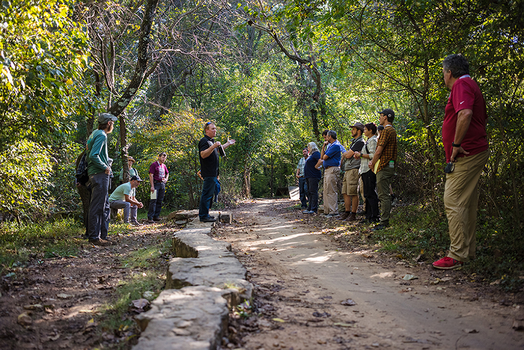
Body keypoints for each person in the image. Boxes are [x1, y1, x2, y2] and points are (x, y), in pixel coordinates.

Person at [432, 54, 489, 270]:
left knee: (453, 199)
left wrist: (456, 145)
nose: (443, 78)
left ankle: (456, 254)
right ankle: (468, 251)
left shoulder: (462, 84)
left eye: (443, 73)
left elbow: (465, 114)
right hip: (474, 151)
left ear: (449, 72)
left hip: (467, 154)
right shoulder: (470, 84)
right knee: (466, 203)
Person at [86, 113, 117, 246]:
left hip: (97, 174)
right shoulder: (101, 135)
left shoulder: (94, 133)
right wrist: (105, 167)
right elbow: (93, 155)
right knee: (98, 205)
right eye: (112, 122)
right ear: (109, 123)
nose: (113, 124)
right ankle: (94, 237)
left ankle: (103, 235)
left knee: (104, 205)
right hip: (99, 174)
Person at [198, 122, 236, 222]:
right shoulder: (204, 141)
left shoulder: (211, 141)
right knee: (206, 194)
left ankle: (206, 214)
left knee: (211, 194)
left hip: (214, 173)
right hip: (208, 172)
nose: (215, 130)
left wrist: (228, 144)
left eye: (215, 128)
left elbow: (217, 151)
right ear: (206, 130)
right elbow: (203, 154)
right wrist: (213, 146)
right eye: (213, 129)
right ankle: (203, 216)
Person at [369, 108, 397, 230]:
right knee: (384, 193)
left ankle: (384, 222)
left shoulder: (386, 130)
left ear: (385, 117)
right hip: (388, 165)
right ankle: (384, 219)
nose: (379, 118)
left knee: (383, 194)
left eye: (381, 116)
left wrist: (372, 162)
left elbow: (379, 150)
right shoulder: (393, 130)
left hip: (384, 165)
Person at [354, 123, 380, 224]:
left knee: (370, 193)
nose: (364, 131)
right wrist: (360, 156)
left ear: (370, 130)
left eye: (365, 129)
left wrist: (360, 154)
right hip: (364, 169)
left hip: (369, 170)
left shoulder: (373, 140)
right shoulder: (369, 140)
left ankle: (375, 216)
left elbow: (373, 155)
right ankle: (368, 216)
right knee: (367, 193)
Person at [339, 122, 365, 221]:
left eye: (353, 129)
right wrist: (346, 154)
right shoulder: (354, 142)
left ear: (359, 131)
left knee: (353, 192)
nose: (351, 131)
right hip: (347, 169)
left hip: (354, 169)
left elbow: (348, 154)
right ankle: (347, 212)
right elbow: (347, 154)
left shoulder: (360, 142)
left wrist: (345, 154)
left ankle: (353, 214)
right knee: (345, 191)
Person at [318, 130, 342, 218]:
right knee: (326, 190)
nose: (326, 139)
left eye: (327, 137)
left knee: (331, 190)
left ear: (330, 137)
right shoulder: (329, 146)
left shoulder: (335, 145)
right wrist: (323, 146)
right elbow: (321, 157)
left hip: (332, 169)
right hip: (327, 170)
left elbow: (325, 157)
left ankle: (333, 211)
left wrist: (324, 152)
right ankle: (327, 210)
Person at [148, 152, 169, 223]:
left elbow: (167, 173)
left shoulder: (164, 166)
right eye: (162, 157)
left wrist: (166, 179)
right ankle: (150, 217)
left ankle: (156, 216)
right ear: (159, 157)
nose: (163, 159)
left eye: (165, 158)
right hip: (155, 183)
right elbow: (151, 175)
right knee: (153, 200)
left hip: (162, 184)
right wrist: (152, 186)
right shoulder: (154, 165)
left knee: (160, 200)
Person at [304, 142, 321, 214]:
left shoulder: (316, 153)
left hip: (313, 176)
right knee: (309, 192)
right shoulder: (311, 155)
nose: (308, 149)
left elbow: (320, 161)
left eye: (308, 147)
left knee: (313, 192)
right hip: (309, 176)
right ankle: (310, 207)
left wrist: (317, 166)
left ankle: (314, 208)